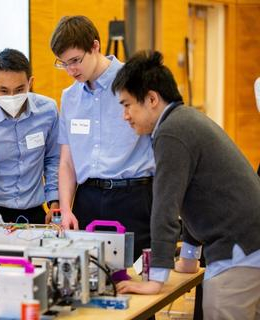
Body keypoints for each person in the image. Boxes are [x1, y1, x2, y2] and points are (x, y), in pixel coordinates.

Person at [112, 50, 260, 319]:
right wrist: (189, 259)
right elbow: (194, 197)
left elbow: (165, 207)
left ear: (152, 99)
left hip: (240, 248)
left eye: (126, 104)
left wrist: (155, 279)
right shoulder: (184, 120)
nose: (125, 115)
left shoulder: (171, 132)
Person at [50, 15, 155, 260]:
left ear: (95, 46)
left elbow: (160, 144)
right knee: (87, 278)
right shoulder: (69, 97)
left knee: (136, 280)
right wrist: (66, 209)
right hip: (87, 200)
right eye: (63, 63)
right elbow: (67, 161)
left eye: (75, 60)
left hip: (133, 198)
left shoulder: (136, 82)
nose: (70, 70)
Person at [0, 48, 60, 224]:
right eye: (3, 90)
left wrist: (55, 202)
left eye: (19, 89)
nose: (12, 97)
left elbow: (53, 159)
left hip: (35, 212)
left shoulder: (48, 111)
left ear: (30, 83)